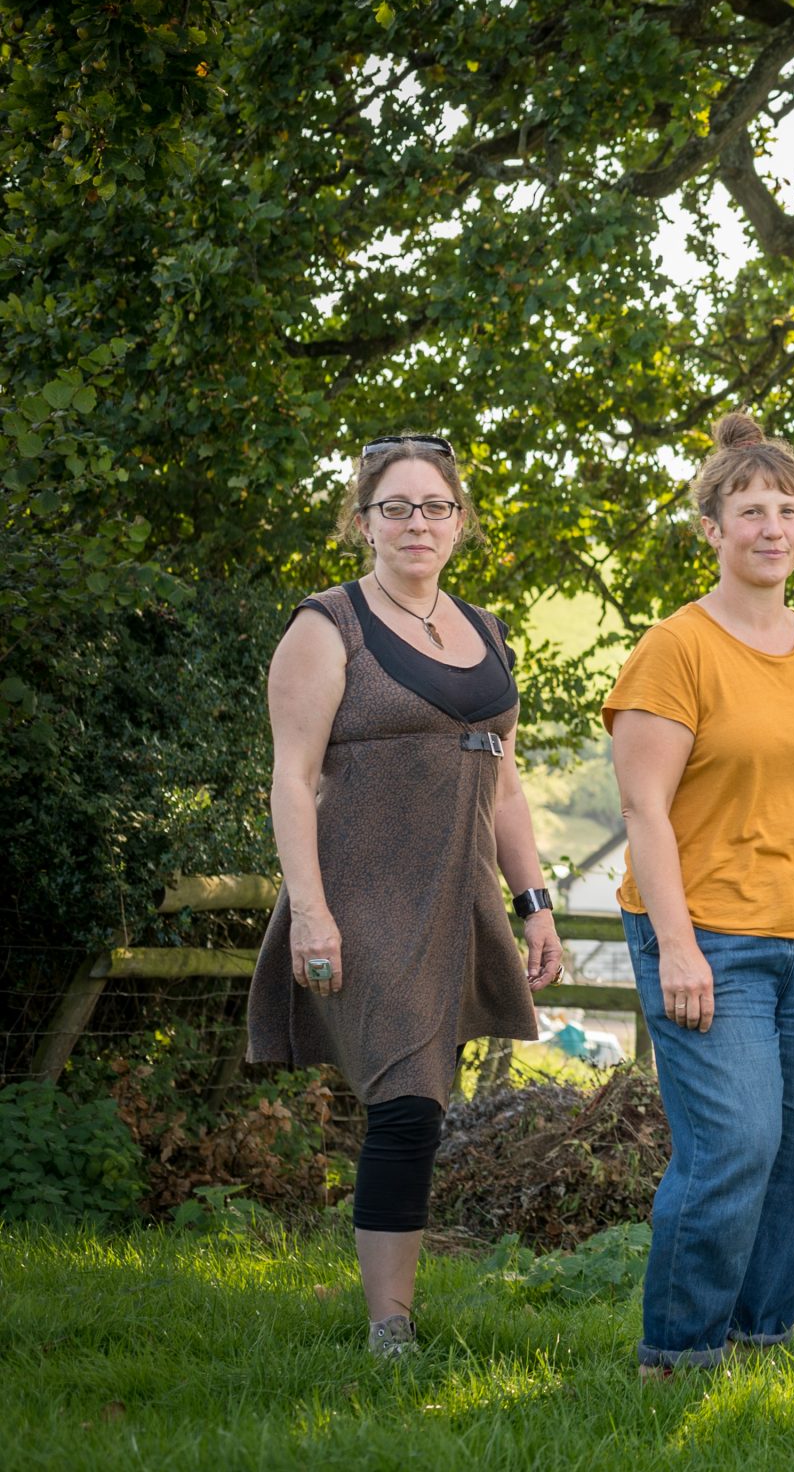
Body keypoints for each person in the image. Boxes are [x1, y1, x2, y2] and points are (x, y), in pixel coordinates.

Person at [250, 433, 566, 1358]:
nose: (416, 523)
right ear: (364, 521)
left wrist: (534, 898)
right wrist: (310, 909)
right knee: (407, 1100)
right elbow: (291, 778)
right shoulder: (327, 626)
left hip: (459, 896)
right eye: (396, 507)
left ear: (460, 523)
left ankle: (397, 1309)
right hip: (365, 894)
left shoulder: (485, 627)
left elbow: (506, 784)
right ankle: (391, 1327)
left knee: (423, 1100)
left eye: (434, 507)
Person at [605, 412, 794, 1374]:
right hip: (713, 937)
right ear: (713, 529)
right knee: (736, 1143)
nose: (771, 527)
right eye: (750, 510)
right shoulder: (674, 648)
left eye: (788, 510)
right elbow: (644, 810)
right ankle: (678, 1350)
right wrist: (677, 947)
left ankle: (763, 1328)